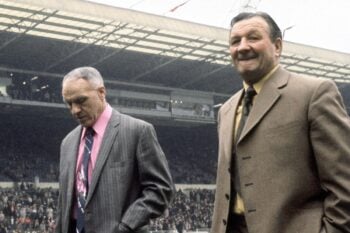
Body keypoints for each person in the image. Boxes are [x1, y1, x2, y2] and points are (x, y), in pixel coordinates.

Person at [211, 11, 350, 233]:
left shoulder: (314, 93)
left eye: (253, 37)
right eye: (235, 41)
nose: (243, 46)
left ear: (277, 46)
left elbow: (345, 184)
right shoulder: (226, 110)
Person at [55, 66, 174, 233]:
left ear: (101, 92)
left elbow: (161, 189)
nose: (75, 110)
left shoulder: (137, 131)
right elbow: (64, 202)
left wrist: (125, 226)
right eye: (69, 103)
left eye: (81, 100)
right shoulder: (67, 143)